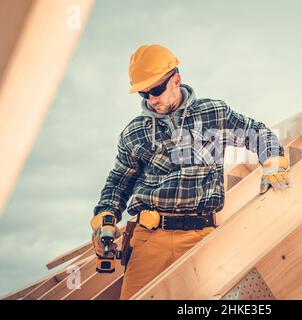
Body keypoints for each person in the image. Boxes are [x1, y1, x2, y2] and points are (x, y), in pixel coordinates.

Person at [90, 44, 290, 299]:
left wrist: (273, 161)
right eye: (143, 93)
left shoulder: (213, 114)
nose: (151, 99)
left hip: (200, 235)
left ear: (176, 80)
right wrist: (105, 216)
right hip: (149, 239)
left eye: (156, 89)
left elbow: (259, 134)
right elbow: (118, 183)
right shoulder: (134, 131)